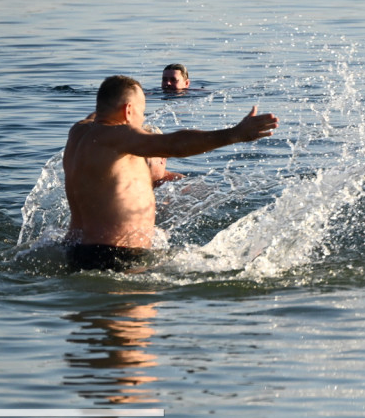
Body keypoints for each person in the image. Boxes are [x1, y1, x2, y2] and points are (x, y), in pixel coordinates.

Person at [63, 75, 278, 272]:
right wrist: (234, 134)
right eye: (142, 112)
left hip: (78, 251)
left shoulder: (79, 132)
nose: (142, 120)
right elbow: (174, 145)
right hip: (115, 256)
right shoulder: (116, 136)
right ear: (128, 110)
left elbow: (101, 112)